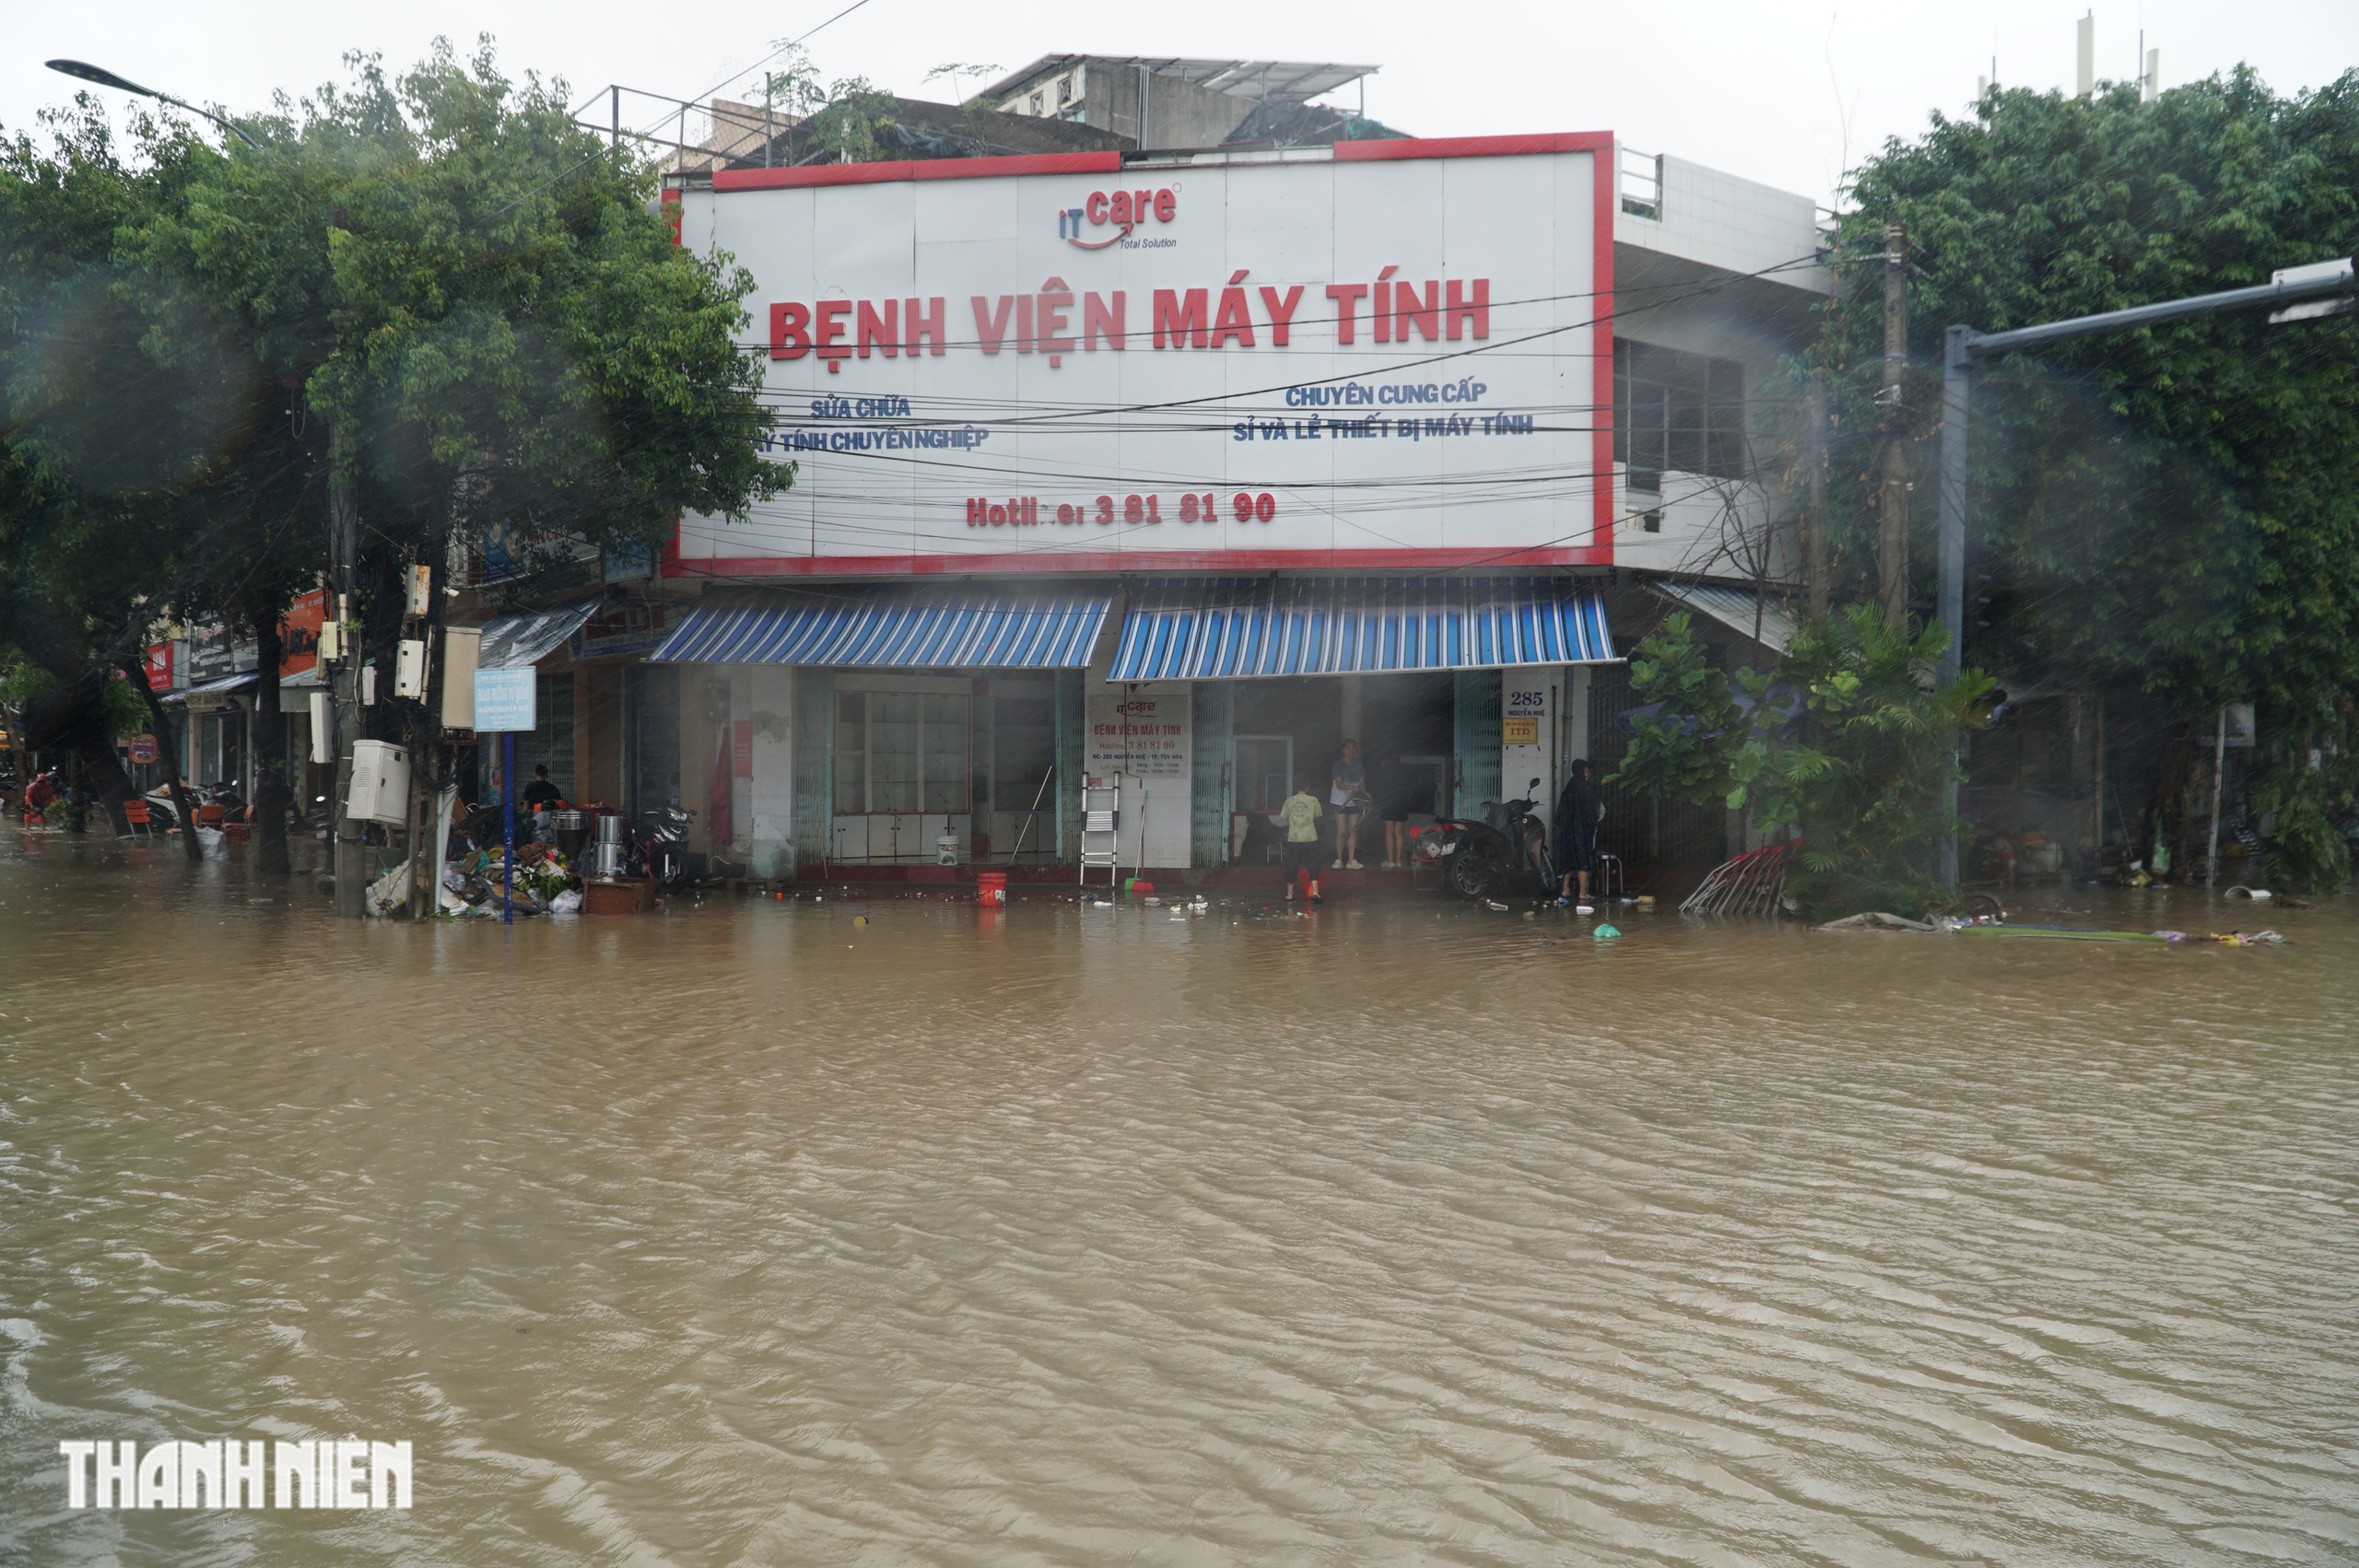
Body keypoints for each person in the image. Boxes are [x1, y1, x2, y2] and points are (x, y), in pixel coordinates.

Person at [1554, 758, 1604, 905]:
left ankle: (1565, 889)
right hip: (1581, 831)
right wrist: (1590, 825)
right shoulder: (1585, 786)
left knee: (1567, 860)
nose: (1588, 770)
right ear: (1582, 770)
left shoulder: (1569, 787)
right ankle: (1583, 892)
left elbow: (1560, 813)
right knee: (1584, 859)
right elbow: (1594, 809)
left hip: (1567, 830)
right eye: (1586, 768)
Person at [1279, 781, 1324, 905]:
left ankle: (1290, 894)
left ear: (1295, 787)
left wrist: (1295, 821)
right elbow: (1317, 816)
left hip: (1294, 837)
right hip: (1310, 837)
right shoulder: (1313, 800)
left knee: (1291, 865)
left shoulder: (1290, 801)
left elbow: (1286, 816)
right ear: (1308, 787)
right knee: (1313, 864)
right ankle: (1315, 892)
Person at [1329, 739, 1367, 871]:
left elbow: (1362, 781)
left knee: (1353, 830)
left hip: (1354, 801)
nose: (1351, 750)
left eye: (1353, 748)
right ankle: (1339, 858)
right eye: (1348, 747)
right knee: (1342, 830)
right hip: (1339, 801)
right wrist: (1351, 787)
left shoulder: (1358, 765)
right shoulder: (1338, 765)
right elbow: (1339, 784)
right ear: (1343, 750)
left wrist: (1362, 794)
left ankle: (1351, 859)